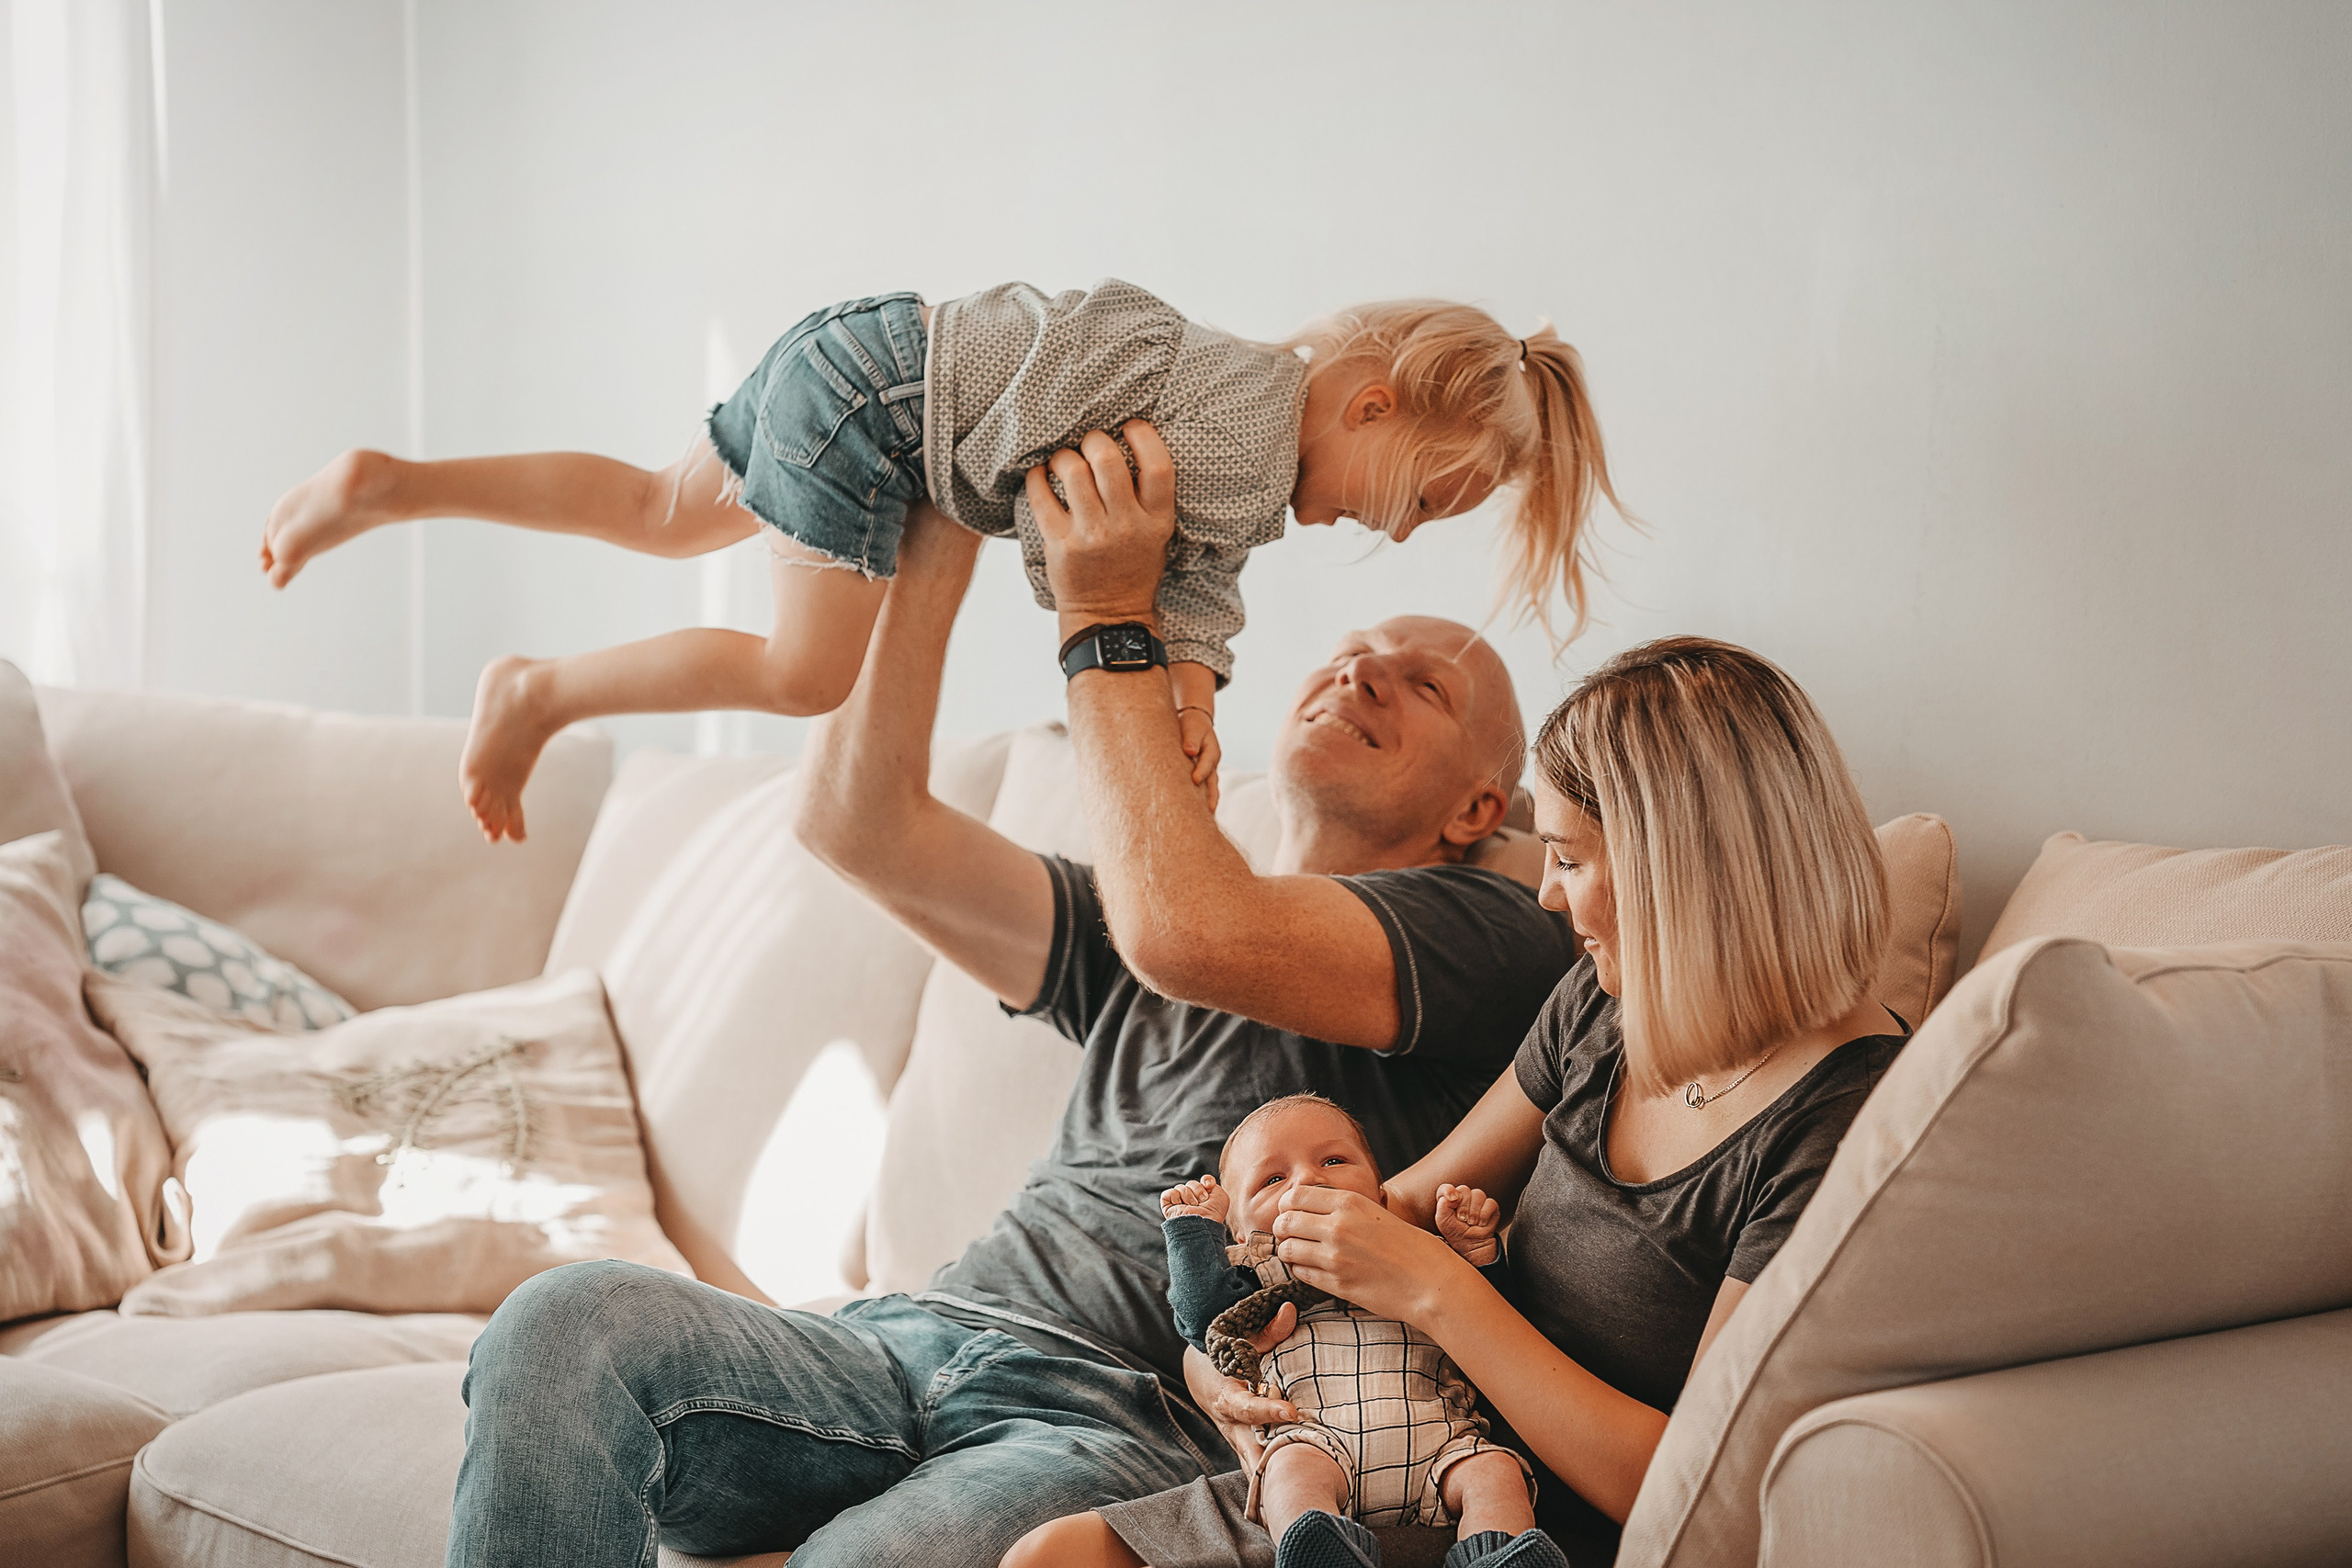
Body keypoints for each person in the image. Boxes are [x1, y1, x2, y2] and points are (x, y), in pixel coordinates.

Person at [438, 425, 1581, 1567]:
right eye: (1349, 651)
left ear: (1479, 812)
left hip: (1118, 1415)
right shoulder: (1158, 918)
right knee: (562, 1325)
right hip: (906, 1337)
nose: (1361, 673)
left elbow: (1194, 932)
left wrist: (1105, 613)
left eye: (1422, 684)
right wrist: (937, 498)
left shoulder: (1493, 931)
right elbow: (859, 825)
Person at [1005, 635, 1912, 1568]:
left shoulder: (1843, 1119)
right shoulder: (1606, 1003)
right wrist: (1214, 1360)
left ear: (1678, 868)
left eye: (1568, 859)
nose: (1548, 896)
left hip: (1532, 1526)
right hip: (1391, 1440)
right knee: (1049, 1557)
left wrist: (1441, 1294)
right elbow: (1389, 1208)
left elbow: (1703, 1489)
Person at [256, 280, 1621, 841]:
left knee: (660, 507)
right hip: (889, 412)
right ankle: (540, 692)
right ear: (1371, 404)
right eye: (1419, 501)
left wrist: (1194, 687)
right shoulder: (1248, 436)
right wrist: (1114, 618)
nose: (1397, 534)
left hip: (861, 347)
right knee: (804, 675)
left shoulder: (1243, 418)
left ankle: (391, 484)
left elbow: (1189, 571)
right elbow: (1091, 526)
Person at [1159, 1094, 1537, 1568]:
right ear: (1239, 1232)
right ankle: (1322, 1554)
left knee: (1497, 1473)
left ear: (1381, 1196)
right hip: (1318, 1442)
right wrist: (1194, 1233)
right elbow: (1203, 1322)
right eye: (1273, 1180)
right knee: (1288, 1475)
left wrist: (1478, 1255)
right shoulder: (1255, 1278)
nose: (1308, 1179)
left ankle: (1500, 1558)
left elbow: (1493, 1322)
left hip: (1445, 1445)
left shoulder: (1420, 1253)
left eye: (1333, 1161)